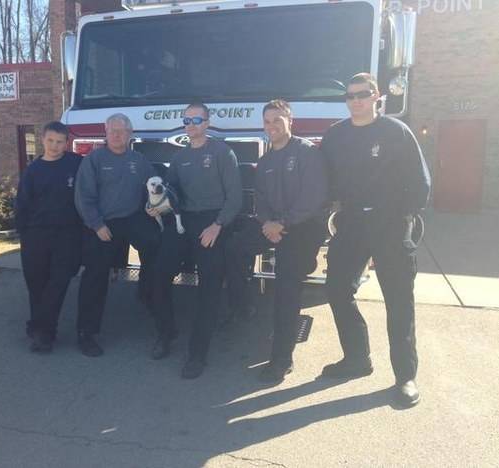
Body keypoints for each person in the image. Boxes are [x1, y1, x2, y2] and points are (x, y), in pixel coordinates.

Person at [320, 73, 431, 407]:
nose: (356, 101)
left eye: (362, 95)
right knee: (337, 288)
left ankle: (405, 377)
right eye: (350, 96)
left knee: (398, 301)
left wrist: (403, 220)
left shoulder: (396, 132)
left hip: (390, 223)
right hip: (352, 223)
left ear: (376, 97)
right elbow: (322, 179)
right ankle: (357, 358)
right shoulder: (335, 136)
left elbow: (420, 182)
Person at [225, 99, 328, 383]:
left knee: (286, 285)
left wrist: (282, 223)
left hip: (303, 228)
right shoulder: (267, 160)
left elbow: (314, 197)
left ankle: (282, 359)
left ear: (290, 122)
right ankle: (242, 306)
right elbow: (261, 200)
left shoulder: (307, 153)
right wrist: (267, 223)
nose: (272, 126)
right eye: (267, 121)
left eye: (277, 121)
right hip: (273, 225)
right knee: (233, 249)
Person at [148, 102, 242, 379]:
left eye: (196, 119)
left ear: (207, 122)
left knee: (209, 285)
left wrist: (217, 225)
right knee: (158, 274)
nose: (191, 124)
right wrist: (156, 206)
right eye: (187, 120)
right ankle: (166, 334)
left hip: (212, 221)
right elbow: (169, 192)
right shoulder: (179, 158)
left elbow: (235, 196)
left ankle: (197, 353)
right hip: (183, 221)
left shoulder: (222, 152)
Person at [75, 113, 159, 357]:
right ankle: (86, 333)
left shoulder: (139, 160)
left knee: (155, 243)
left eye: (121, 131)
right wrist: (97, 225)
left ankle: (147, 292)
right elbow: (84, 197)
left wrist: (154, 206)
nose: (116, 135)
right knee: (95, 274)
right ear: (106, 132)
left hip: (132, 219)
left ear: (130, 134)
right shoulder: (94, 160)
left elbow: (153, 186)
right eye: (112, 130)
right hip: (103, 223)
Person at [15, 121, 85, 353]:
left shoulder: (77, 164)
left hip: (67, 235)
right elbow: (22, 204)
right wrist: (24, 233)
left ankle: (43, 333)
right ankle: (39, 327)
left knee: (58, 283)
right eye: (50, 141)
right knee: (37, 285)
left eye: (59, 142)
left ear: (66, 143)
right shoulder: (33, 171)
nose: (54, 146)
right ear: (42, 140)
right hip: (36, 235)